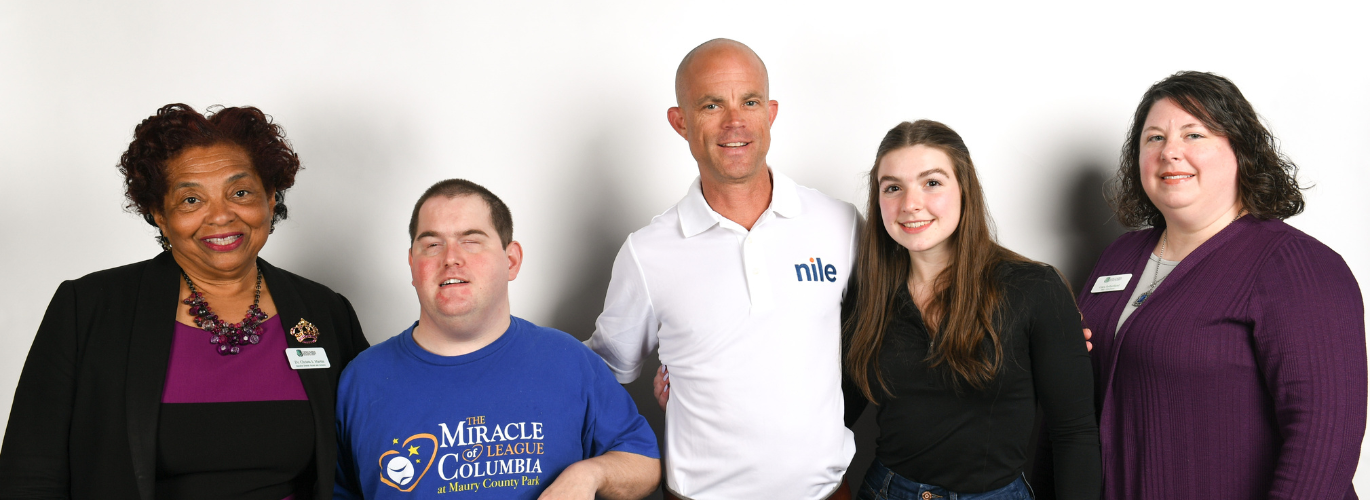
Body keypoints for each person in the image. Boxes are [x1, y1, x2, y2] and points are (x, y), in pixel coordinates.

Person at [0, 104, 371, 500]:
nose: (221, 217)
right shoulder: (89, 309)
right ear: (159, 214)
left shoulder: (324, 311)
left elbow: (366, 458)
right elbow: (30, 476)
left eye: (240, 192)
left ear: (270, 196)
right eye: (191, 201)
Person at [585, 39, 861, 499]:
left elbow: (874, 343)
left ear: (770, 112)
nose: (735, 122)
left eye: (749, 102)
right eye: (712, 104)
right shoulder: (646, 253)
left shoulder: (841, 224)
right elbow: (598, 374)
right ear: (681, 122)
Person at [1081, 71, 1365, 498]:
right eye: (1153, 138)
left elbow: (1322, 442)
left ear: (1240, 151)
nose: (1170, 152)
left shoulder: (1296, 265)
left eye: (1193, 135)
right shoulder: (1118, 256)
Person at [333, 179, 660, 500]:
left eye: (471, 241)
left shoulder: (569, 362)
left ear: (511, 261)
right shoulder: (361, 382)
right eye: (432, 244)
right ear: (412, 264)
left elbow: (644, 463)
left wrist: (589, 475)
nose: (450, 258)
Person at [843, 120, 1100, 499]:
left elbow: (1074, 431)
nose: (910, 204)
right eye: (893, 187)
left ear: (964, 188)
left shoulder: (1033, 288)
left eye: (932, 182)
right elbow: (837, 414)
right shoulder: (869, 294)